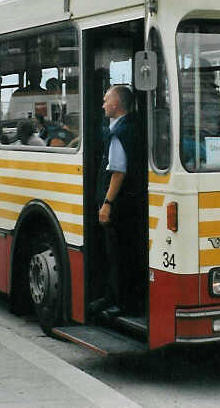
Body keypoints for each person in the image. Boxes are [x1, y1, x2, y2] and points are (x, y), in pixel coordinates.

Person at [93, 85, 141, 319]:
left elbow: (118, 172)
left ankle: (120, 302)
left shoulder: (118, 133)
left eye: (105, 100)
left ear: (116, 104)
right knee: (126, 253)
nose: (102, 105)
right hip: (132, 203)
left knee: (117, 255)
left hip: (118, 205)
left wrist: (107, 203)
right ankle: (114, 297)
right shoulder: (134, 125)